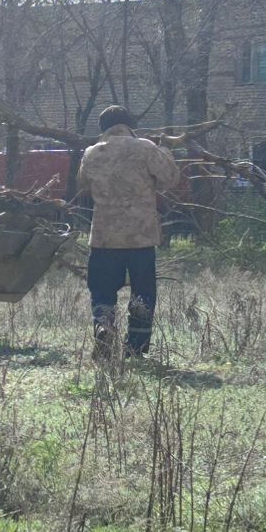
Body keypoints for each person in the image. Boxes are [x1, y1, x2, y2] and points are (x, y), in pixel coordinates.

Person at [75, 104, 181, 359]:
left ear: (103, 128)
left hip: (103, 237)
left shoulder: (91, 153)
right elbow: (170, 179)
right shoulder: (145, 147)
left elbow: (82, 184)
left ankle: (104, 326)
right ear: (129, 125)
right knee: (143, 292)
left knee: (101, 290)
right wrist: (165, 150)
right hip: (141, 237)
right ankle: (135, 348)